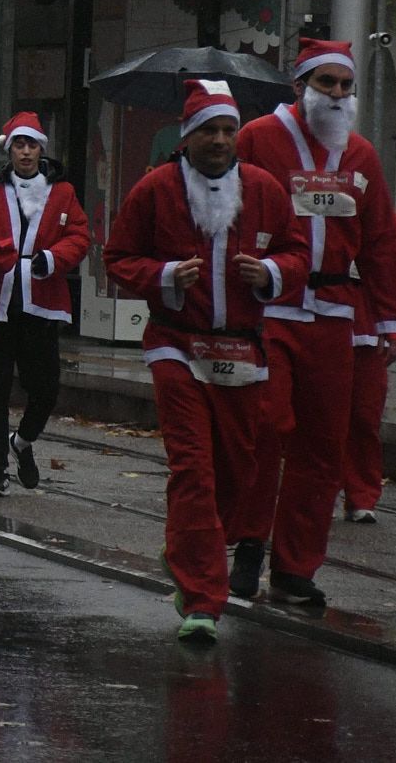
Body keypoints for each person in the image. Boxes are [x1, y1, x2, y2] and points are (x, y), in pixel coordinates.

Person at [103, 80, 307, 643]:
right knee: (193, 465)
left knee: (237, 473)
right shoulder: (155, 189)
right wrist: (165, 275)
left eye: (227, 130)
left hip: (242, 351)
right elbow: (118, 256)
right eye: (208, 130)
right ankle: (202, 601)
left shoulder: (263, 189)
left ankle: (183, 549)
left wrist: (270, 273)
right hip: (177, 345)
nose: (219, 140)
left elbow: (295, 252)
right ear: (187, 135)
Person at [231, 39, 396, 609]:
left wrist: (393, 319)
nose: (335, 93)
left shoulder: (362, 155)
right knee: (265, 426)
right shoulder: (257, 138)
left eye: (344, 85)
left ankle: (294, 568)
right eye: (325, 82)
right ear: (300, 87)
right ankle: (250, 542)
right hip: (269, 309)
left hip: (334, 315)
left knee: (323, 445)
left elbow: (380, 241)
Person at [0, 112, 92, 497]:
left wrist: (52, 259)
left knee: (46, 389)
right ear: (9, 150)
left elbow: (79, 236)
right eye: (19, 145)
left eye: (32, 145)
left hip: (41, 304)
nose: (25, 152)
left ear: (42, 149)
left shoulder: (63, 193)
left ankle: (21, 442)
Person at [344, 231, 396, 523]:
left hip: (368, 332)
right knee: (317, 419)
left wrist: (372, 271)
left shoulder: (378, 216)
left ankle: (361, 496)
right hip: (320, 325)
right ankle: (316, 496)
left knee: (365, 417)